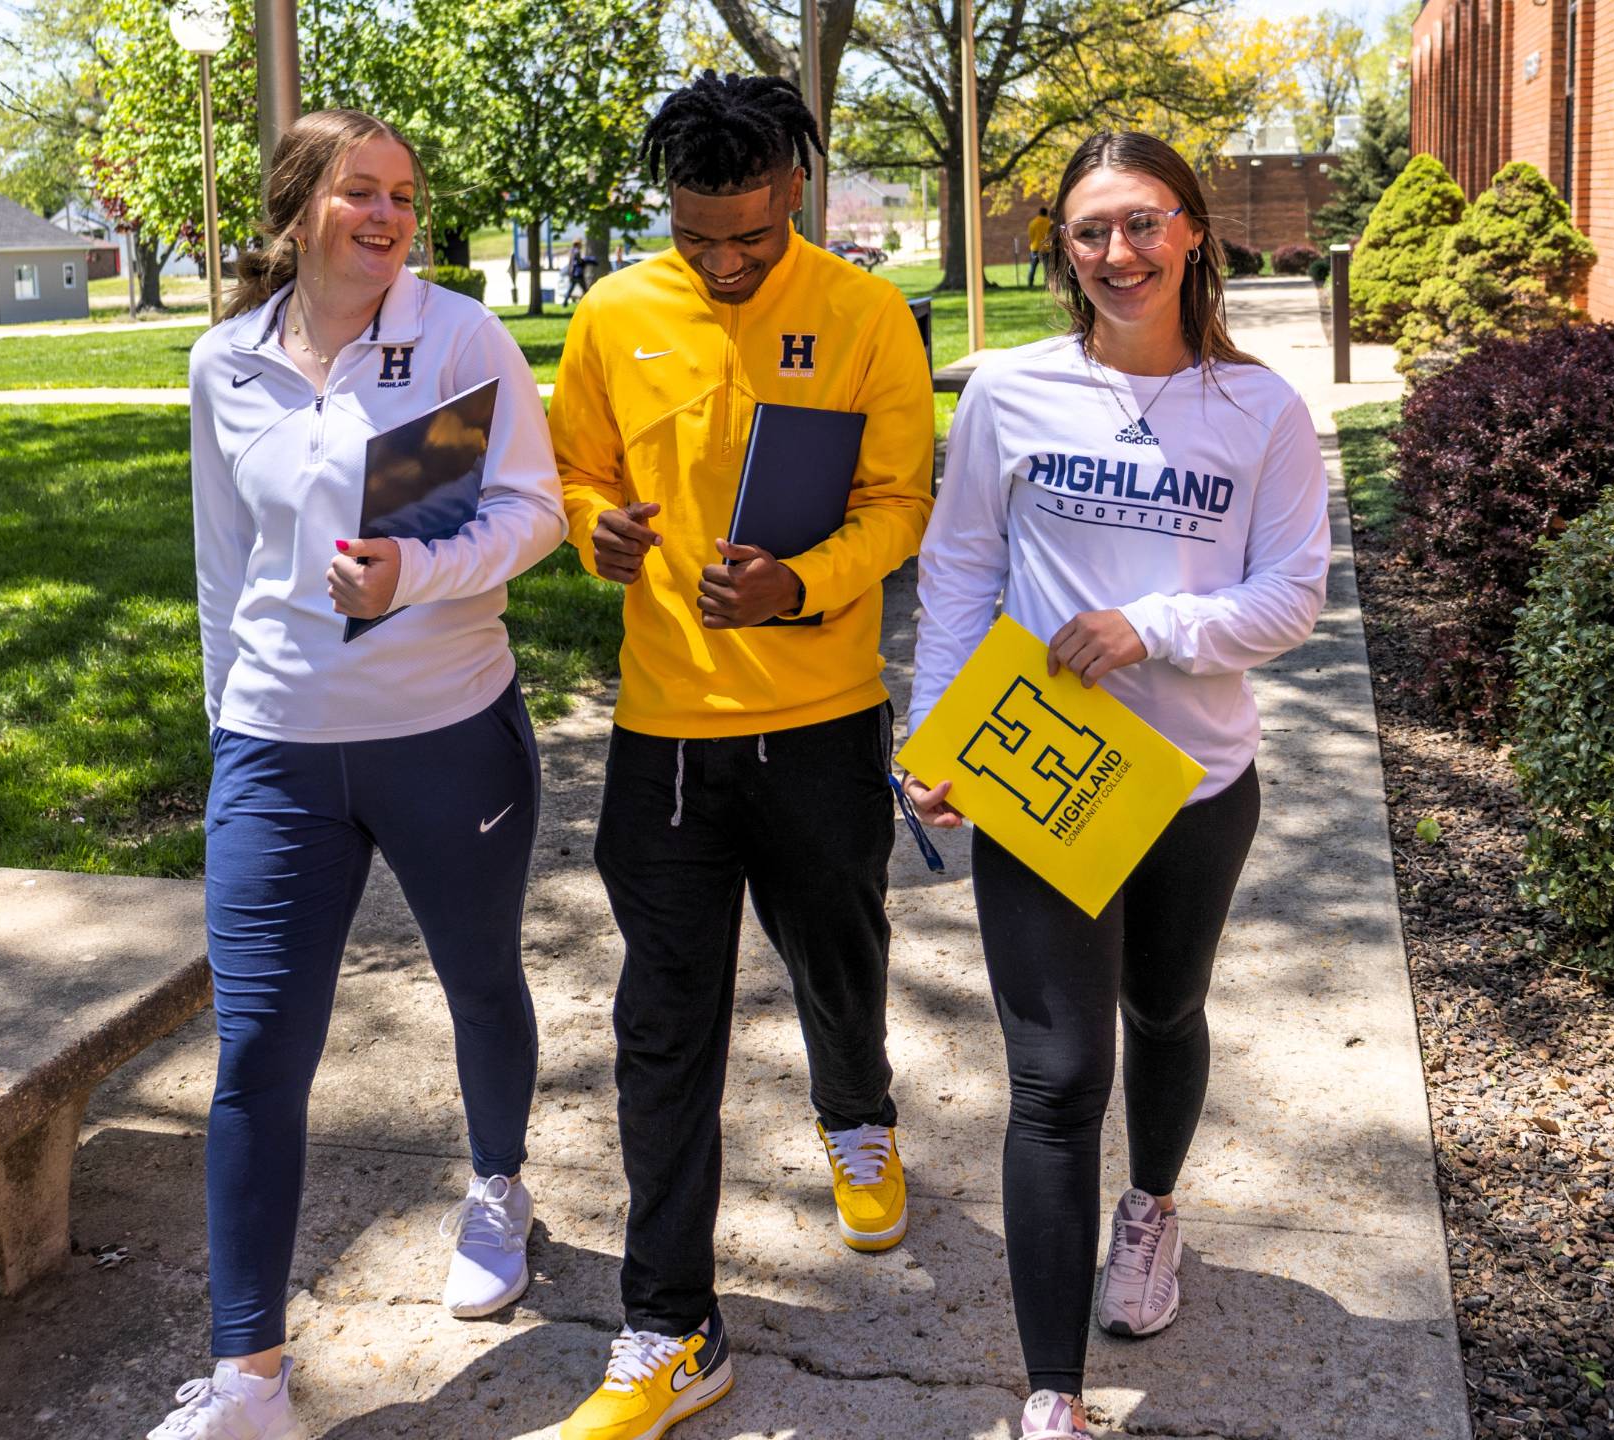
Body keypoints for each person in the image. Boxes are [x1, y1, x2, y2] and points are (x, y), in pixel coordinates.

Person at [903, 130, 1330, 1439]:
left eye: (1141, 223)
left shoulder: (1259, 409)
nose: (1116, 253)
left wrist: (1156, 628)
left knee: (1163, 1013)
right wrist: (932, 736)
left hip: (1197, 782)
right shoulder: (1012, 393)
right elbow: (959, 571)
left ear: (1192, 230)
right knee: (1054, 1075)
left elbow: (1294, 593)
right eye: (1090, 231)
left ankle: (1150, 1213)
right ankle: (1052, 1397)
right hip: (1048, 775)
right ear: (1065, 250)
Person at [150, 108, 564, 1440]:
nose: (387, 218)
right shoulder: (224, 364)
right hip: (275, 748)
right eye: (358, 193)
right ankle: (248, 1383)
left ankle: (498, 1183)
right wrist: (229, 722)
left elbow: (532, 512)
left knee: (481, 981)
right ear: (296, 207)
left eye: (403, 197)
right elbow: (226, 566)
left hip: (448, 728)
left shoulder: (454, 336)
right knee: (259, 1051)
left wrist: (415, 573)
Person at [549, 71, 935, 1440]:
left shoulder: (865, 314)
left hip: (823, 722)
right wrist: (593, 528)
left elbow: (902, 505)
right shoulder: (612, 313)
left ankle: (860, 1113)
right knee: (662, 1025)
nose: (722, 264)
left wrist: (805, 585)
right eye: (698, 235)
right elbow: (576, 473)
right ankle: (669, 1327)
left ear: (796, 196)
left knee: (841, 952)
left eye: (751, 239)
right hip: (663, 737)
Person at [1026, 204, 1052, 286]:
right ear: (1046, 213)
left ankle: (1030, 283)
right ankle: (1047, 284)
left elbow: (1030, 235)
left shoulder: (1033, 223)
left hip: (1035, 248)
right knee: (1047, 268)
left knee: (1033, 267)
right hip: (1046, 248)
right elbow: (1051, 234)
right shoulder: (1049, 223)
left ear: (1039, 213)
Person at [562, 239, 588, 303]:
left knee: (571, 289)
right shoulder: (577, 251)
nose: (581, 245)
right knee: (585, 289)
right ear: (578, 244)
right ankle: (588, 300)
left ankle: (565, 302)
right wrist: (583, 261)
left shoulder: (572, 251)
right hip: (578, 274)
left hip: (572, 273)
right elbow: (579, 261)